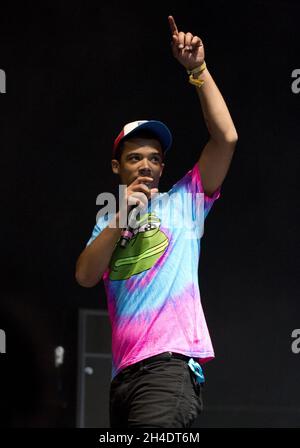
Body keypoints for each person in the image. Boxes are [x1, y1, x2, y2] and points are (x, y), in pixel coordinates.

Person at [75, 15, 238, 428]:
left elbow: (226, 139)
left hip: (168, 369)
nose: (146, 165)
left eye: (154, 158)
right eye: (135, 158)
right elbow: (85, 275)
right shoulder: (107, 221)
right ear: (118, 167)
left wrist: (197, 71)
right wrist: (120, 217)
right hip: (122, 378)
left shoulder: (184, 202)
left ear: (163, 167)